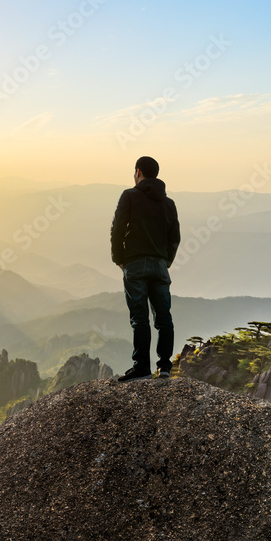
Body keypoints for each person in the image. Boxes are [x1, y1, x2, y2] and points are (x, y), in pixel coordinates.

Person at [110, 156, 180, 382]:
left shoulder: (129, 196)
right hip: (160, 267)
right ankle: (165, 368)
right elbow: (174, 237)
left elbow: (117, 229)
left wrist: (119, 260)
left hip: (135, 264)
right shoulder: (168, 203)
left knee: (139, 318)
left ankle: (141, 368)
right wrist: (165, 261)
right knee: (164, 318)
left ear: (138, 172)